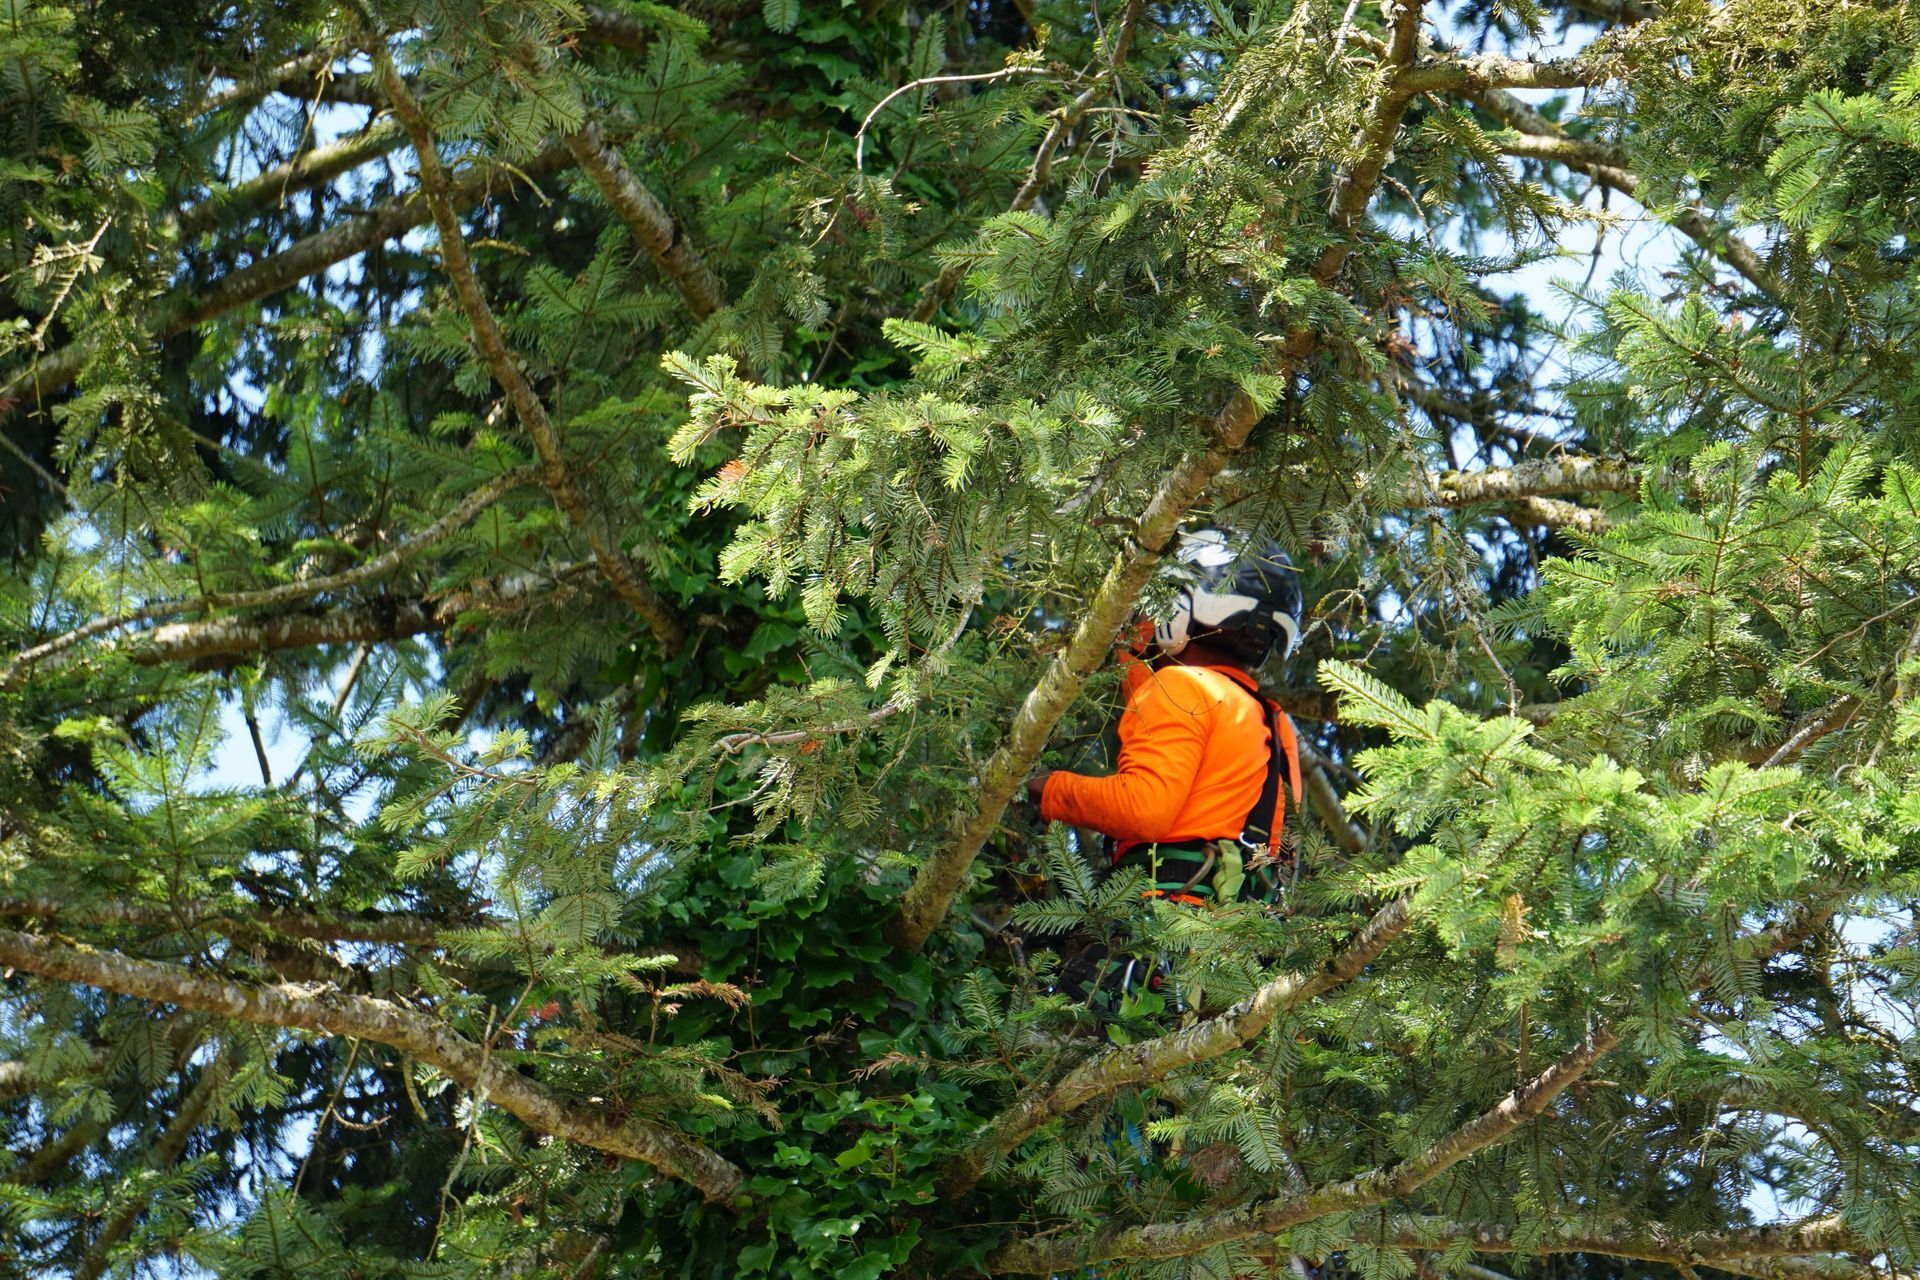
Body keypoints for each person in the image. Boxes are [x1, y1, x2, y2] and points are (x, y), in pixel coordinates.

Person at [1026, 529, 1304, 907]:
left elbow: (1143, 809)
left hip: (1167, 924)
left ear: (1180, 605)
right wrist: (1130, 650)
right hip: (1240, 939)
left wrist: (1042, 788)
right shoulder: (1271, 721)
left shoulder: (1180, 688)